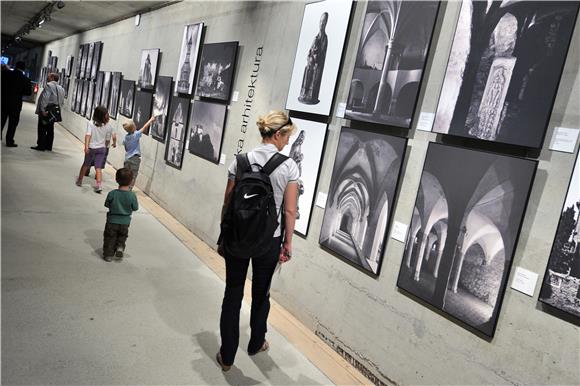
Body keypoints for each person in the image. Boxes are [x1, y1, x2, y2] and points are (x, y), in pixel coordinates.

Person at [216, 110, 299, 371]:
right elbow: (289, 210)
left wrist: (224, 234)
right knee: (261, 294)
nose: (287, 143)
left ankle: (227, 357)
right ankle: (256, 343)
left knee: (233, 293)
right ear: (277, 134)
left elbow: (228, 201)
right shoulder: (288, 166)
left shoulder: (240, 161)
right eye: (287, 137)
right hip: (268, 241)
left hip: (238, 238)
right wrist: (288, 244)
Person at [76, 106, 116, 193]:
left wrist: (86, 146)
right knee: (98, 168)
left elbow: (88, 135)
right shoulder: (108, 126)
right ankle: (98, 185)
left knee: (85, 165)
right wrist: (105, 147)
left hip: (91, 148)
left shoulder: (90, 123)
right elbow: (108, 139)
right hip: (101, 149)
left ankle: (79, 180)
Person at [102, 168, 139, 262]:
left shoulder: (112, 193)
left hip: (112, 220)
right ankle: (120, 247)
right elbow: (135, 208)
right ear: (131, 181)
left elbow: (106, 204)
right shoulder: (132, 195)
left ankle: (108, 255)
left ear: (116, 179)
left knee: (110, 237)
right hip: (125, 222)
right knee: (122, 236)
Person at [2, 61, 32, 147]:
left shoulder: (5, 74)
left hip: (3, 101)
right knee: (13, 123)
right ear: (24, 68)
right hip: (16, 104)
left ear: (15, 66)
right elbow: (28, 93)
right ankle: (9, 141)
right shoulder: (26, 79)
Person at [32, 72, 65, 151]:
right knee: (50, 129)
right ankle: (48, 146)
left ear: (53, 77)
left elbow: (45, 98)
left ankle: (41, 146)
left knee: (42, 128)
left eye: (49, 76)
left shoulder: (49, 85)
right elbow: (62, 101)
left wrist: (43, 109)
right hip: (54, 111)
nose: (47, 77)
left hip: (47, 109)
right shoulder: (61, 88)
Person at [122, 115, 156, 189]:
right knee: (133, 175)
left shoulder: (126, 137)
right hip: (135, 159)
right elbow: (144, 127)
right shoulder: (135, 135)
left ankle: (124, 186)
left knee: (126, 174)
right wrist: (151, 120)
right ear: (134, 127)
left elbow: (126, 148)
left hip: (127, 158)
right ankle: (129, 188)